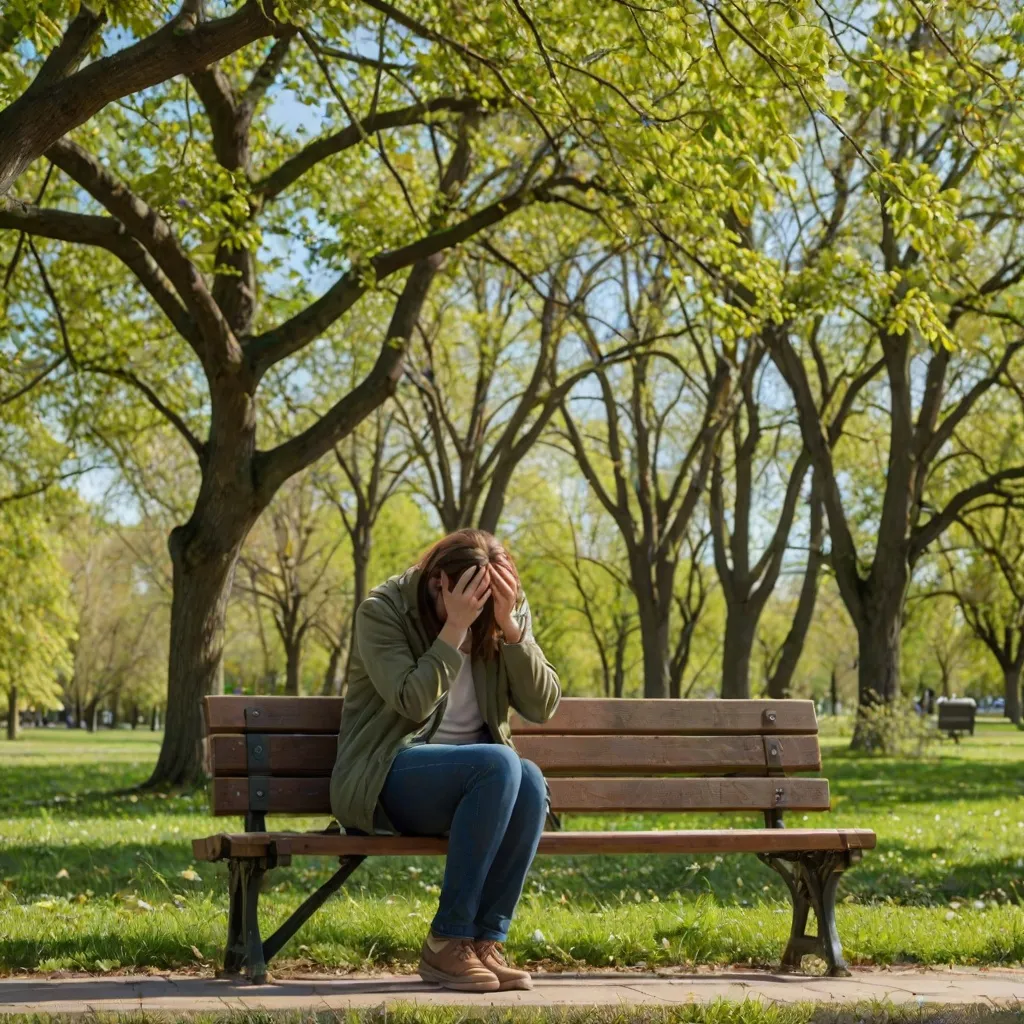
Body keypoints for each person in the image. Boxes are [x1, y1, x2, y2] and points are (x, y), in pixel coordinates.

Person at [330, 529, 561, 993]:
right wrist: (454, 629)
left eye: (486, 602)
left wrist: (512, 628)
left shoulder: (503, 609)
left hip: (485, 783)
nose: (479, 614)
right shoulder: (383, 611)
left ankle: (481, 942)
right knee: (500, 763)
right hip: (387, 773)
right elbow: (412, 703)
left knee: (531, 780)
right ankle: (446, 940)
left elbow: (543, 705)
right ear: (439, 583)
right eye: (469, 601)